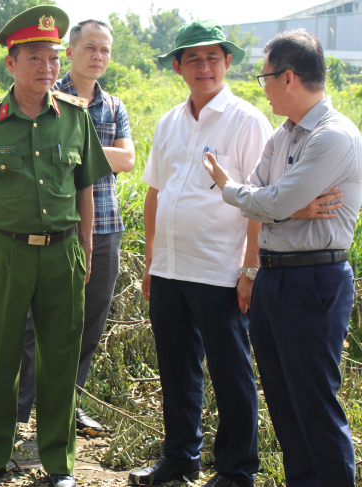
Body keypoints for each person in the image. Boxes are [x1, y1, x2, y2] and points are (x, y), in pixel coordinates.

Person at [0, 6, 112, 487]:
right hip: (7, 252)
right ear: (11, 64)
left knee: (62, 356)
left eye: (53, 58)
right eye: (35, 57)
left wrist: (86, 250)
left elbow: (85, 189)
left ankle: (58, 462)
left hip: (63, 252)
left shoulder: (75, 119)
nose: (48, 67)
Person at [203, 29, 362, 487]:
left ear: (288, 77)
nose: (264, 86)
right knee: (284, 401)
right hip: (274, 278)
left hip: (314, 279)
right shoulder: (284, 136)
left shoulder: (333, 137)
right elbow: (267, 196)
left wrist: (240, 192)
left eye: (265, 77)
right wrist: (281, 204)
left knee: (314, 401)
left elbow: (264, 202)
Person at [127, 21, 273, 487]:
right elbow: (155, 192)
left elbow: (260, 199)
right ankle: (181, 456)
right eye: (193, 59)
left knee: (231, 373)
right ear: (178, 67)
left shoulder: (247, 120)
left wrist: (251, 267)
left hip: (221, 269)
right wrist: (152, 261)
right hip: (170, 266)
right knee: (175, 365)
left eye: (213, 58)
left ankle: (236, 470)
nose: (204, 67)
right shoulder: (170, 120)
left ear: (228, 63)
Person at [17, 19, 135, 432]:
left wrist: (70, 148)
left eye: (104, 50)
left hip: (104, 225)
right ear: (70, 52)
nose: (97, 56)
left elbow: (129, 160)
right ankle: (21, 409)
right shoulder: (45, 95)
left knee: (90, 320)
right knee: (36, 324)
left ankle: (68, 404)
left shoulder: (114, 106)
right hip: (57, 228)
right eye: (90, 48)